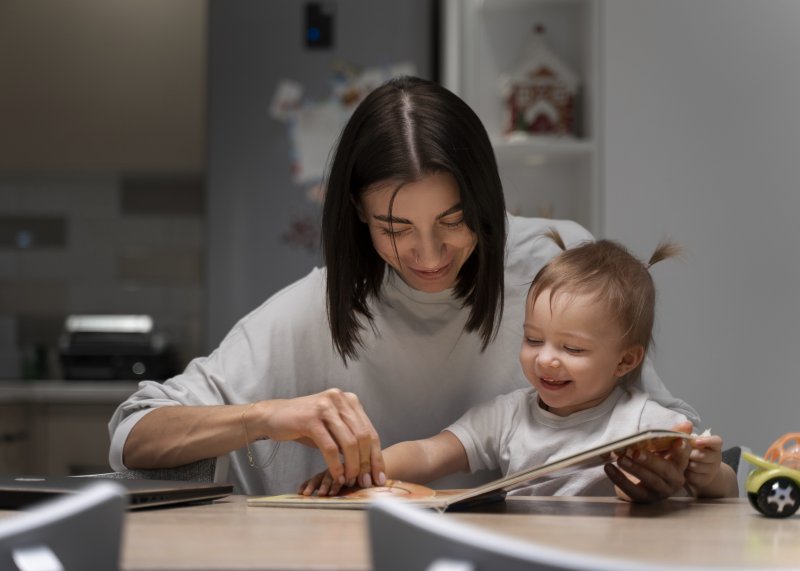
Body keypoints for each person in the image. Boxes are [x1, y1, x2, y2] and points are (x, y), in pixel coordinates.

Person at [108, 76, 699, 496]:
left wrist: (671, 474)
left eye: (453, 221)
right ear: (359, 216)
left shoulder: (554, 263)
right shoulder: (312, 311)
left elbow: (667, 426)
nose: (429, 254)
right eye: (396, 228)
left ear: (488, 201)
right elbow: (135, 435)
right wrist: (266, 416)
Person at [301, 232, 739, 501]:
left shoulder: (644, 422)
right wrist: (360, 471)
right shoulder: (509, 416)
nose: (546, 358)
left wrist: (708, 474)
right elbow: (430, 452)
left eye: (572, 348)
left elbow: (723, 486)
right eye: (533, 339)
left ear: (625, 361)